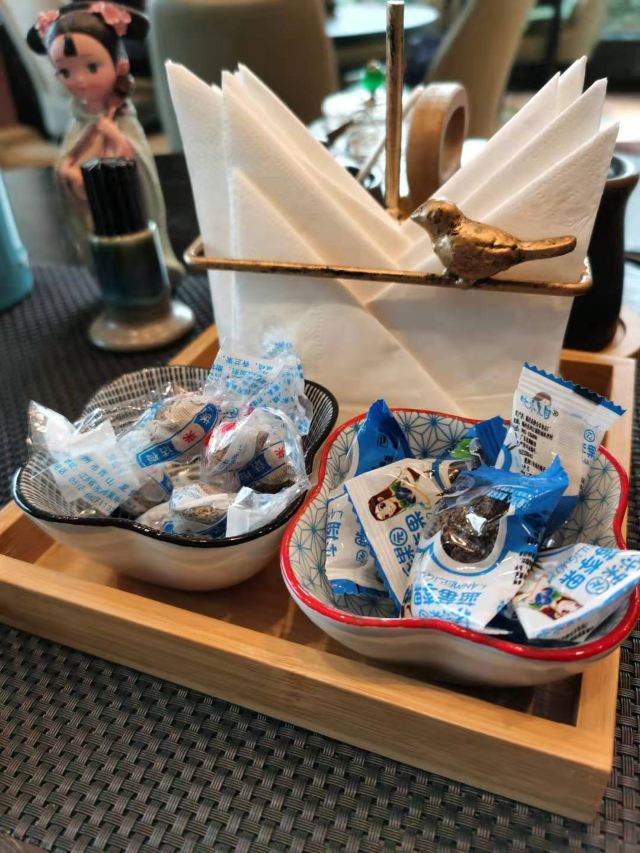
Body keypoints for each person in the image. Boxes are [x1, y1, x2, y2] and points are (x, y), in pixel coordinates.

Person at [27, 2, 183, 280]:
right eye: (65, 72)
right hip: (96, 215)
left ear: (119, 64)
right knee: (111, 263)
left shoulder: (121, 118)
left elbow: (133, 159)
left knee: (136, 257)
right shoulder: (78, 123)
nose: (80, 80)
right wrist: (70, 175)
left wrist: (110, 134)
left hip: (127, 207)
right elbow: (68, 161)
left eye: (92, 66)